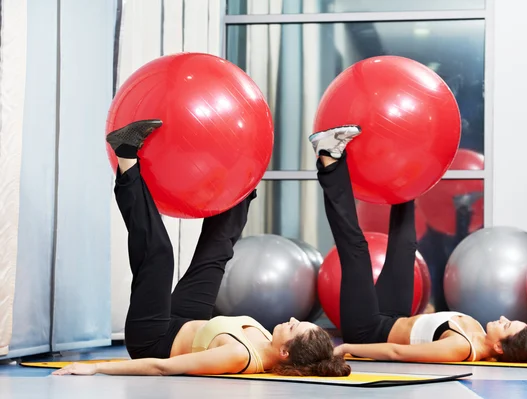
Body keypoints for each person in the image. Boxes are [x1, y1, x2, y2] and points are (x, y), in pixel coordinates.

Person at [53, 120, 351, 377]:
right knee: (217, 254)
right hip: (185, 321)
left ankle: (126, 157)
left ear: (285, 352)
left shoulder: (238, 356)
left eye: (295, 328)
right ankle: (241, 184)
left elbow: (162, 368)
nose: (294, 319)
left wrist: (95, 368)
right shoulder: (271, 341)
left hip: (154, 338)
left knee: (159, 256)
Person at [308, 125, 527, 364]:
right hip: (393, 316)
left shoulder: (461, 348)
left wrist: (347, 348)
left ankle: (328, 157)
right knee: (405, 247)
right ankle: (402, 158)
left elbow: (398, 352)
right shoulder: (477, 333)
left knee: (356, 250)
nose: (504, 318)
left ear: (499, 347)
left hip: (367, 330)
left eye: (506, 325)